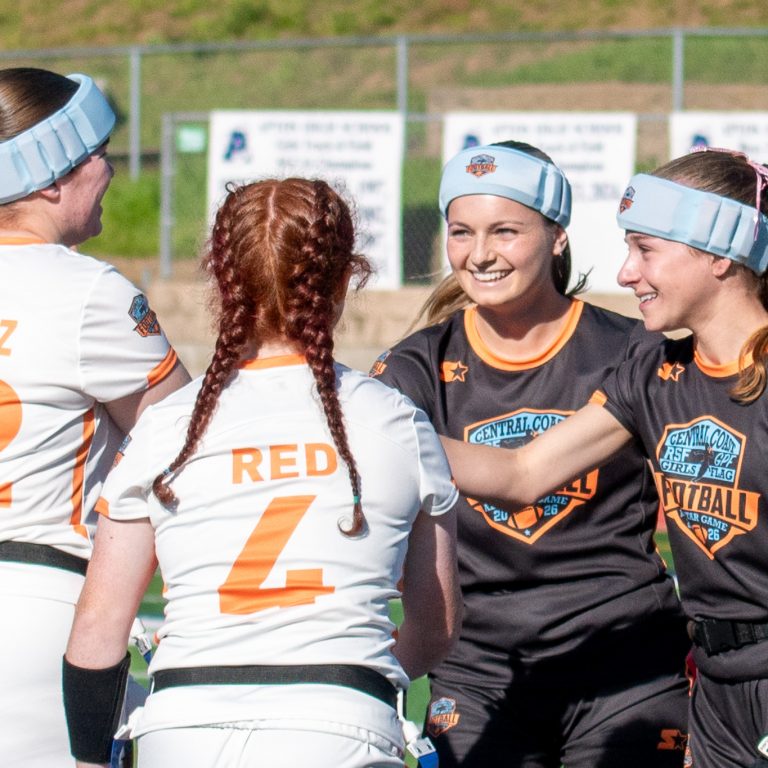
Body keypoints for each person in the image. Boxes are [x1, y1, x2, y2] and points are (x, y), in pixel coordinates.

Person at [62, 177, 461, 768]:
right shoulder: (395, 421)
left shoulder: (165, 427)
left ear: (221, 283)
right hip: (338, 729)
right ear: (345, 280)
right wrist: (358, 677)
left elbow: (98, 629)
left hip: (185, 727)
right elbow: (437, 623)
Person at [438, 146, 768, 768]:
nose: (625, 273)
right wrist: (373, 429)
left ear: (721, 254)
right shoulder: (652, 372)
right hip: (719, 691)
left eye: (646, 250)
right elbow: (522, 473)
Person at [370, 140, 691, 768]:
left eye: (505, 231)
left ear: (558, 236)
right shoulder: (414, 367)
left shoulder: (633, 352)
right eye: (461, 232)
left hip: (628, 666)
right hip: (479, 672)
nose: (480, 254)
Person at [0, 67, 189, 767]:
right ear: (52, 177)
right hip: (36, 607)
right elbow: (188, 444)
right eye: (99, 154)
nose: (111, 171)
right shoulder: (88, 291)